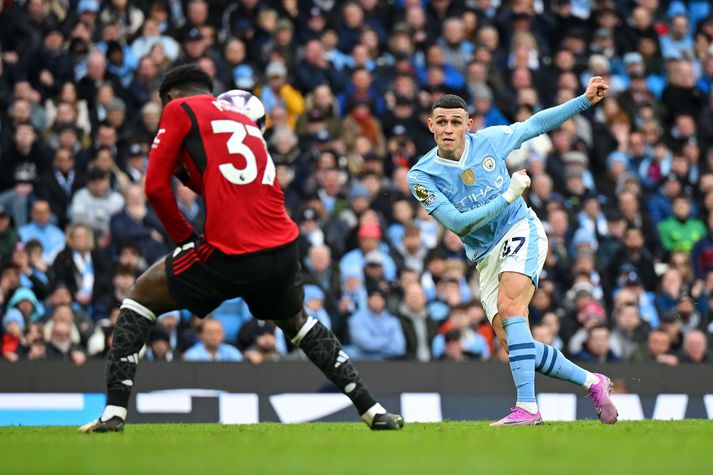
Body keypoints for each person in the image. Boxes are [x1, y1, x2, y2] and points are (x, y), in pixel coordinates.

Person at [79, 65, 403, 433]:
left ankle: (114, 414)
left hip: (230, 250)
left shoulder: (179, 109)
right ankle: (373, 409)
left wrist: (184, 237)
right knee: (297, 322)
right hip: (281, 247)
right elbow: (233, 184)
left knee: (139, 298)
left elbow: (154, 187)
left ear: (170, 97)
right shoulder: (243, 120)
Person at [406, 76, 618, 426]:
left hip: (521, 229)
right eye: (441, 122)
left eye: (455, 122)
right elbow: (458, 224)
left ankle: (527, 408)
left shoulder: (488, 142)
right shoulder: (421, 176)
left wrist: (583, 100)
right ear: (430, 125)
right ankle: (592, 382)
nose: (448, 129)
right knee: (513, 343)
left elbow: (534, 125)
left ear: (468, 125)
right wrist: (508, 194)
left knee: (509, 308)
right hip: (485, 255)